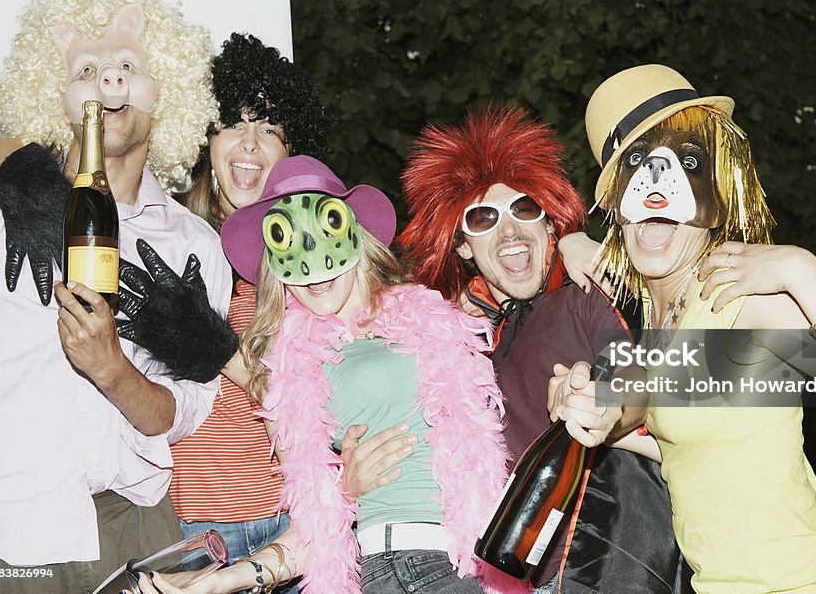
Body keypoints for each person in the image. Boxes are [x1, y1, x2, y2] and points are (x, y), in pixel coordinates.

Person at [139, 155, 527, 594]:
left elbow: (519, 283)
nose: (313, 266)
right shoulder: (288, 370)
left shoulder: (431, 314)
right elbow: (313, 529)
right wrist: (215, 583)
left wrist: (572, 241)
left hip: (470, 562)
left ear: (355, 236)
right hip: (395, 569)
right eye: (288, 242)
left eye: (325, 231)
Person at [345, 105, 691, 593]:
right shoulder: (468, 342)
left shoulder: (586, 293)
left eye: (524, 209)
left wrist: (604, 404)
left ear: (549, 225)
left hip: (617, 562)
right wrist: (345, 485)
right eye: (483, 218)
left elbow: (630, 374)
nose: (508, 230)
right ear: (463, 247)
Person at [579, 64, 816, 593]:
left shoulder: (741, 298)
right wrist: (586, 407)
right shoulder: (657, 319)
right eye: (637, 167)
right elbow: (689, 444)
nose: (655, 189)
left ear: (714, 197)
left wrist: (801, 271)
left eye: (685, 164)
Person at [0, 0, 232, 593]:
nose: (107, 81)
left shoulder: (195, 244)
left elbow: (186, 411)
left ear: (164, 90)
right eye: (86, 69)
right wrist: (9, 162)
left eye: (128, 65)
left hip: (139, 522)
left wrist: (114, 371)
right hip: (14, 522)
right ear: (54, 95)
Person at [167, 33, 332, 588]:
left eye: (269, 130)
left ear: (291, 151)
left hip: (293, 520)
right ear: (206, 138)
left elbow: (322, 396)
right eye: (234, 124)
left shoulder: (310, 256)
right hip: (200, 529)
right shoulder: (166, 239)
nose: (249, 144)